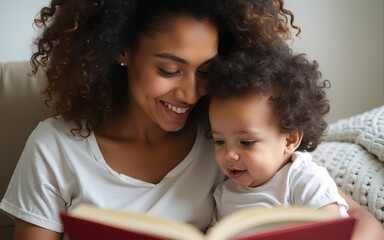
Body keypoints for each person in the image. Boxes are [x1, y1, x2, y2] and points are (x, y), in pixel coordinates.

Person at [0, 0, 382, 240]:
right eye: (169, 69)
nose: (190, 93)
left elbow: (359, 222)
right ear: (121, 52)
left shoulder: (225, 139)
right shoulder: (53, 148)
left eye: (206, 72)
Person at [207, 47, 348, 224]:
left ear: (290, 140)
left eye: (246, 142)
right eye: (220, 141)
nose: (229, 154)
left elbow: (333, 229)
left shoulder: (303, 180)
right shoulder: (224, 194)